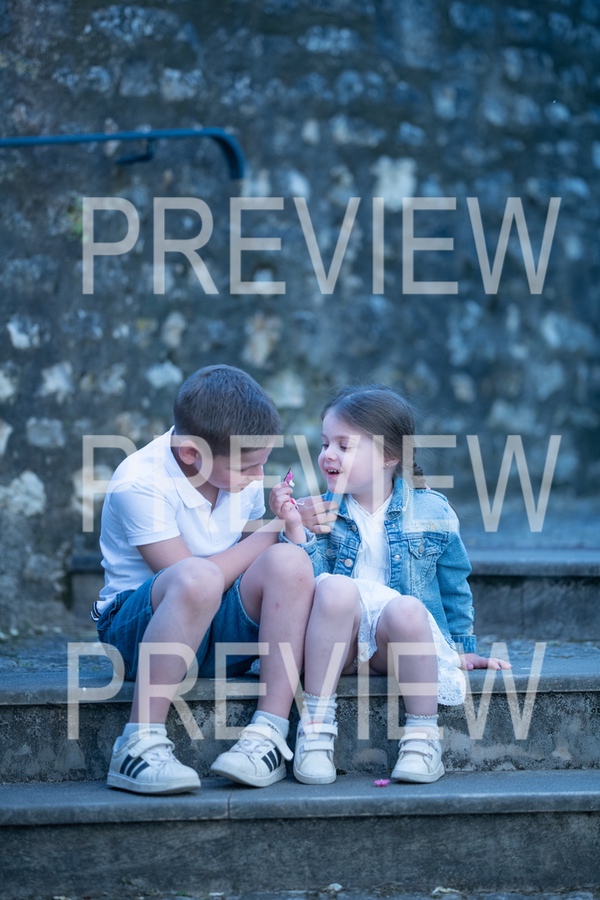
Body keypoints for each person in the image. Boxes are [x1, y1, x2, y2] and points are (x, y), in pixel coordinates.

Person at [270, 384, 510, 786]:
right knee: (336, 589)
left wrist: (460, 647)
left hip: (392, 648)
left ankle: (421, 737)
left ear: (389, 456)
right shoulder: (320, 512)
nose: (328, 454)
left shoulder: (432, 510)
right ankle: (316, 729)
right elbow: (304, 586)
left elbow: (453, 586)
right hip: (335, 646)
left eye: (344, 446)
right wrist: (296, 530)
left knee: (408, 608)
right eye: (325, 443)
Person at [94, 364, 314, 795]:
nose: (258, 477)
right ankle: (138, 743)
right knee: (198, 577)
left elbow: (247, 565)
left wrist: (287, 528)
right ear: (191, 453)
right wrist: (272, 530)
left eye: (263, 464)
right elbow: (195, 577)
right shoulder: (138, 482)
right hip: (140, 634)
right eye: (248, 467)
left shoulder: (236, 475)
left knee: (290, 562)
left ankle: (268, 733)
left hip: (216, 633)